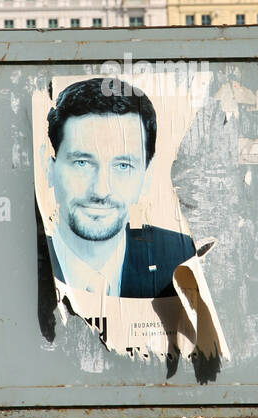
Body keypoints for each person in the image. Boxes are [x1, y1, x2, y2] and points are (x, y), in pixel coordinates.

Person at [44, 77, 195, 298]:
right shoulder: (20, 261)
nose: (101, 191)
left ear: (147, 176)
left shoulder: (182, 257)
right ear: (49, 168)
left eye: (123, 165)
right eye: (82, 163)